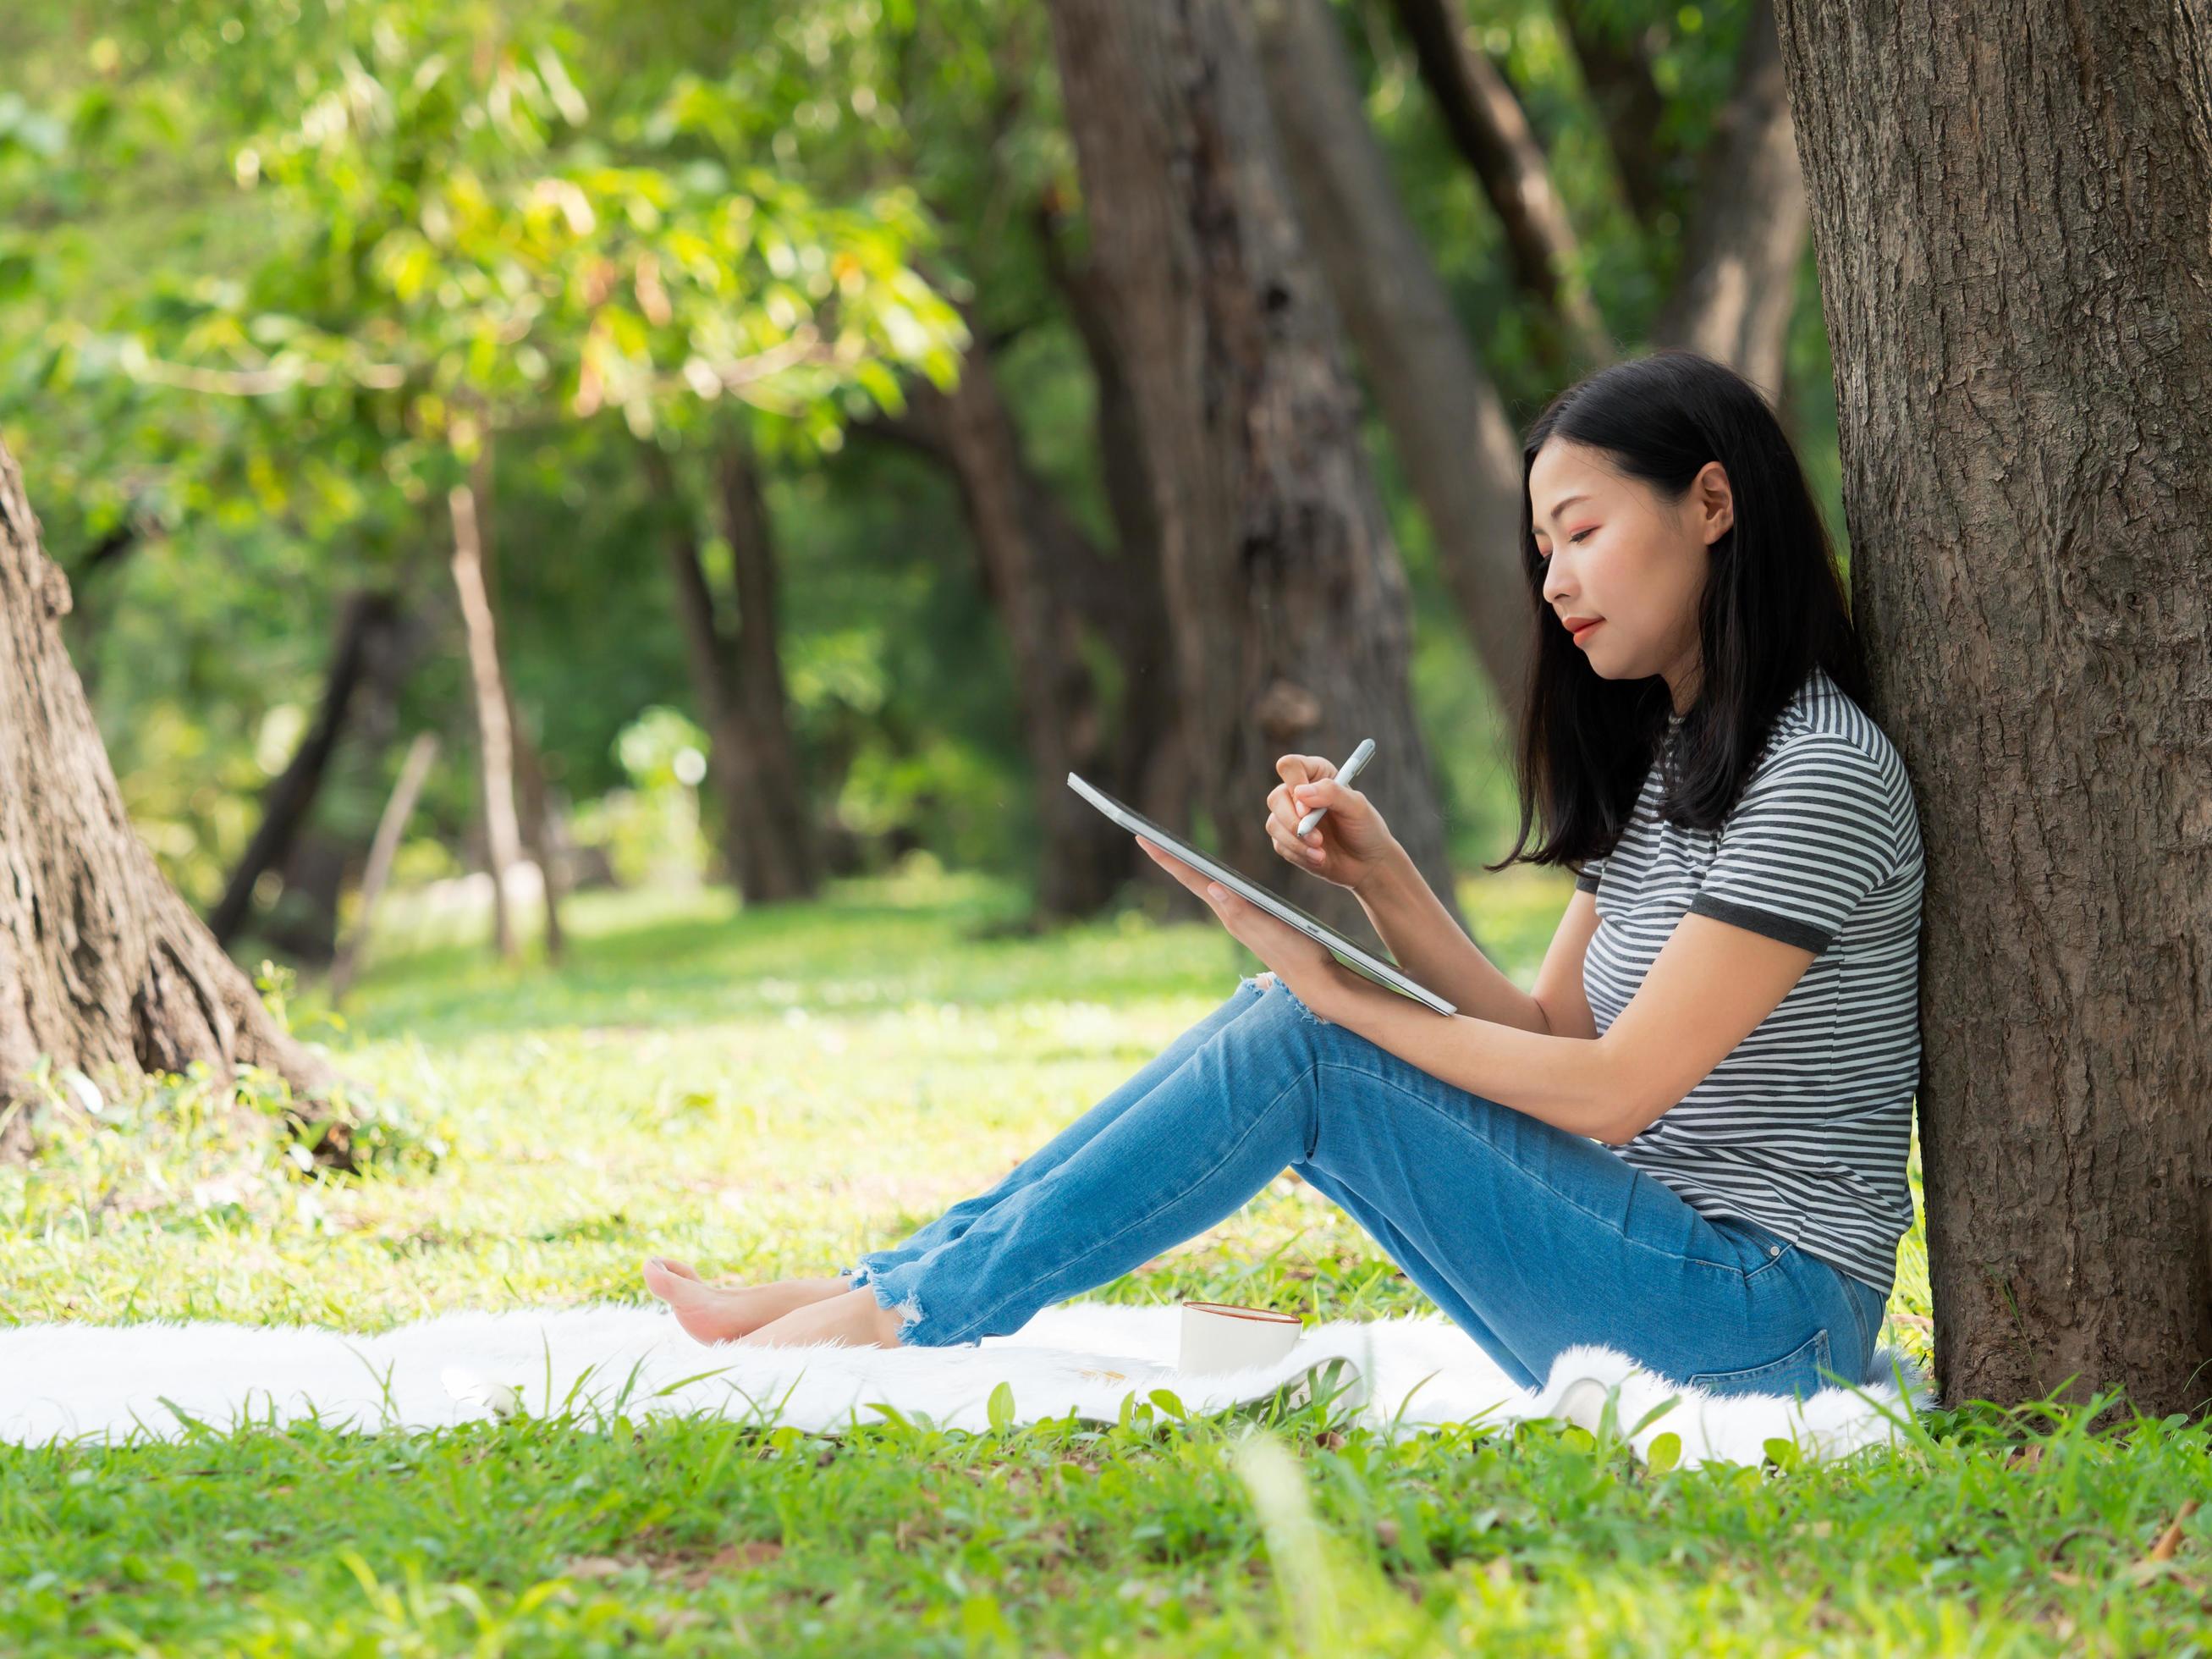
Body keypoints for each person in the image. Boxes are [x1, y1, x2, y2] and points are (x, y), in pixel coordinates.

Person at [642, 349, 1923, 1401]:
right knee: (1293, 1024)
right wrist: (1380, 886)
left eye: (1579, 532)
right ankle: (889, 1288)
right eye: (1541, 547)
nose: (1553, 582)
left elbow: (1607, 1091)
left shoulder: (1814, 772)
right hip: (1650, 1263)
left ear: (1709, 504)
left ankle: (894, 1316)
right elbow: (1545, 1032)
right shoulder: (1672, 764)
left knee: (1301, 1038)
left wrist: (1334, 996)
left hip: (1760, 1323)